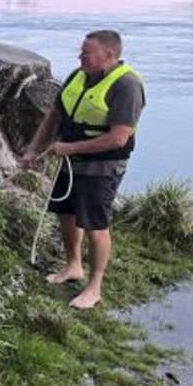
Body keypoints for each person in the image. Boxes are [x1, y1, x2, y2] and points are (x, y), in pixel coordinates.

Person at [20, 29, 145, 310]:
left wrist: (71, 148)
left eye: (86, 52)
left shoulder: (126, 86)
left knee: (95, 225)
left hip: (102, 166)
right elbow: (54, 115)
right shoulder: (78, 76)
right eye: (81, 51)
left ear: (109, 55)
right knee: (65, 213)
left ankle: (95, 286)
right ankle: (73, 266)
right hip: (70, 162)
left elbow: (118, 138)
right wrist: (33, 149)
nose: (81, 57)